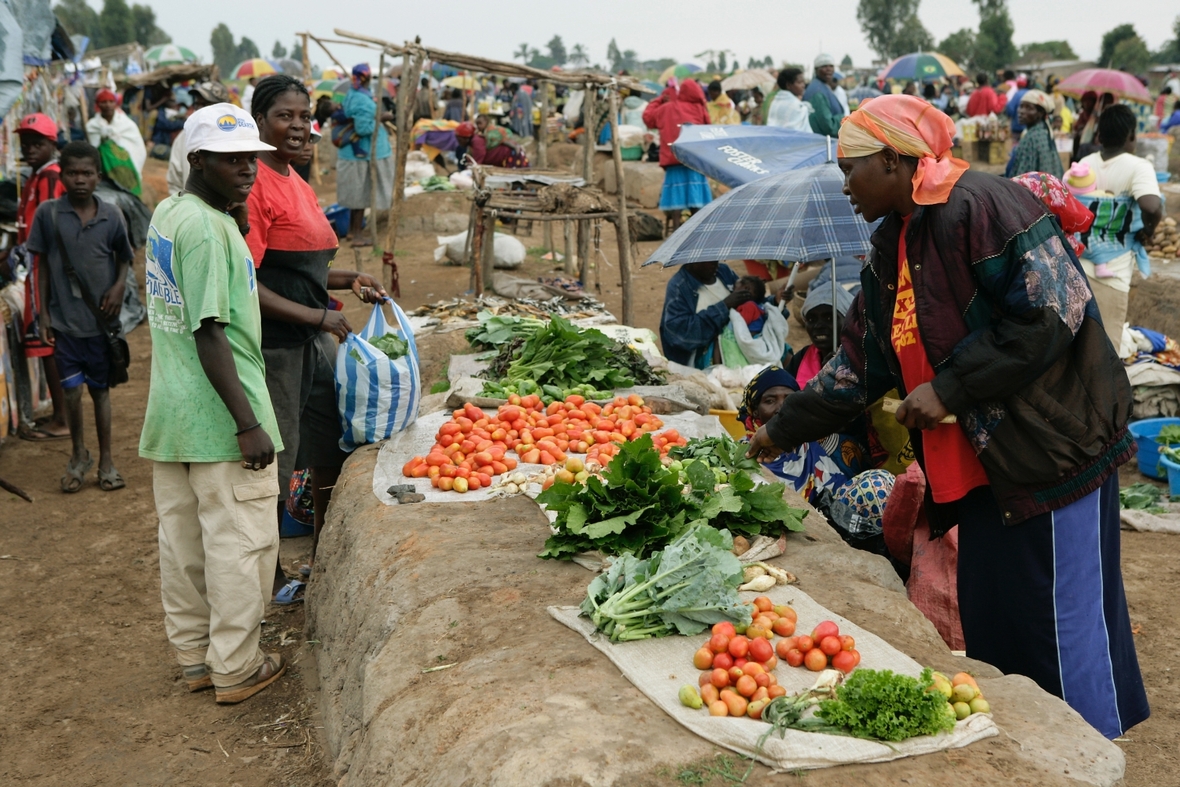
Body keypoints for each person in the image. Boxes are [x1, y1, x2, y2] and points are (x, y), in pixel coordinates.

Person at [747, 94, 1148, 740]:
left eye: (851, 168)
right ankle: (1039, 764)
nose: (844, 184)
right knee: (1001, 636)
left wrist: (950, 387)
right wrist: (777, 429)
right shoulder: (889, 247)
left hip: (1049, 458)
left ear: (892, 158)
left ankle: (1090, 761)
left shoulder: (982, 205)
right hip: (982, 477)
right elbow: (858, 367)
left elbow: (1056, 309)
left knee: (1063, 633)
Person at [140, 102, 287, 704]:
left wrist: (237, 207)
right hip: (223, 416)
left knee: (185, 547)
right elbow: (210, 330)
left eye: (251, 159)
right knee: (239, 544)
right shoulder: (208, 228)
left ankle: (197, 657)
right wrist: (248, 423)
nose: (248, 170)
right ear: (197, 159)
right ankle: (236, 667)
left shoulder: (173, 213)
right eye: (231, 161)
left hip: (173, 415)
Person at [245, 75, 388, 601]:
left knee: (330, 441)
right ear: (260, 121)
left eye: (306, 117)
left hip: (311, 340)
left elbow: (302, 265)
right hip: (275, 347)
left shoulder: (295, 180)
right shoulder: (255, 184)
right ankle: (273, 577)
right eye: (286, 116)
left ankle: (325, 553)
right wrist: (315, 317)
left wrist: (348, 278)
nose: (301, 127)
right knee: (274, 464)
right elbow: (246, 279)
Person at [26, 141, 132, 492]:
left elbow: (124, 256)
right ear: (62, 176)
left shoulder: (112, 214)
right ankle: (77, 456)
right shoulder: (49, 214)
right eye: (72, 173)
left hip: (101, 326)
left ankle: (106, 462)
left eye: (87, 173)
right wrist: (42, 315)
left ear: (98, 176)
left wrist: (119, 287)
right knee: (71, 394)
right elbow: (39, 267)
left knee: (100, 394)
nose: (80, 180)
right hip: (64, 324)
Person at [1076, 104, 1163, 347]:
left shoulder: (1085, 163)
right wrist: (1148, 231)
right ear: (1132, 135)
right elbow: (1152, 206)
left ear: (1099, 136)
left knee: (1079, 344)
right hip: (1113, 272)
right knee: (1107, 349)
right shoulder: (1138, 166)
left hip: (1078, 264)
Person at [14, 113, 70, 441]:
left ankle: (62, 417)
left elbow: (49, 226)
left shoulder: (50, 177)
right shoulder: (36, 176)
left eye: (37, 143)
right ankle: (61, 410)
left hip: (42, 270)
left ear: (52, 144)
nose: (30, 148)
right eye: (25, 143)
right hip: (36, 267)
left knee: (46, 341)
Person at [643, 81, 712, 231]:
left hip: (673, 158)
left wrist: (660, 100)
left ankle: (676, 232)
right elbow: (708, 128)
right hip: (695, 160)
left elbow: (647, 118)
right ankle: (696, 232)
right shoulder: (699, 109)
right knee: (696, 198)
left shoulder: (665, 108)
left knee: (676, 198)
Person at [338, 63, 394, 246]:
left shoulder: (354, 94)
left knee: (357, 195)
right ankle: (357, 235)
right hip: (363, 153)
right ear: (366, 78)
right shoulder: (361, 99)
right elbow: (363, 128)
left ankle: (353, 232)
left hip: (358, 154)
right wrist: (381, 118)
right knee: (361, 196)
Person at [659, 260, 748, 367]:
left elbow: (747, 300)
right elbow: (681, 335)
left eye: (716, 258)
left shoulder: (724, 272)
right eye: (709, 261)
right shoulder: (679, 286)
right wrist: (724, 307)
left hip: (737, 355)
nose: (715, 264)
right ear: (692, 260)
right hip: (698, 365)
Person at [168, 82, 232, 196]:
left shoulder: (236, 138)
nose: (200, 110)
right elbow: (174, 181)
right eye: (197, 105)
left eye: (206, 105)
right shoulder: (185, 135)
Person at [786, 283, 854, 386]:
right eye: (811, 319)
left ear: (848, 320)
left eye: (829, 318)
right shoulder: (802, 357)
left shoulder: (862, 359)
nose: (818, 326)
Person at [86, 89, 147, 196]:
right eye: (103, 102)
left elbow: (137, 148)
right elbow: (92, 149)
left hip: (126, 167)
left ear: (116, 103)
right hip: (103, 169)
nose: (108, 105)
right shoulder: (92, 126)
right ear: (98, 104)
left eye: (111, 101)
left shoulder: (127, 124)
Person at [1005, 90, 1063, 179]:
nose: (1021, 111)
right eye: (1021, 106)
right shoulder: (1043, 131)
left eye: (1029, 108)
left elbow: (1022, 176)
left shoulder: (1032, 137)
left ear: (1041, 113)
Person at [454, 119, 529, 168]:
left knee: (514, 181)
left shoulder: (476, 141)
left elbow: (477, 163)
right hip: (506, 157)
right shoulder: (473, 142)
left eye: (459, 139)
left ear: (466, 138)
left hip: (511, 155)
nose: (459, 142)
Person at [804, 55, 843, 137]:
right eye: (824, 66)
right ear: (816, 70)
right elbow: (829, 127)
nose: (829, 69)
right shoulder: (817, 93)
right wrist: (843, 119)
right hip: (823, 143)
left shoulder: (823, 87)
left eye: (831, 66)